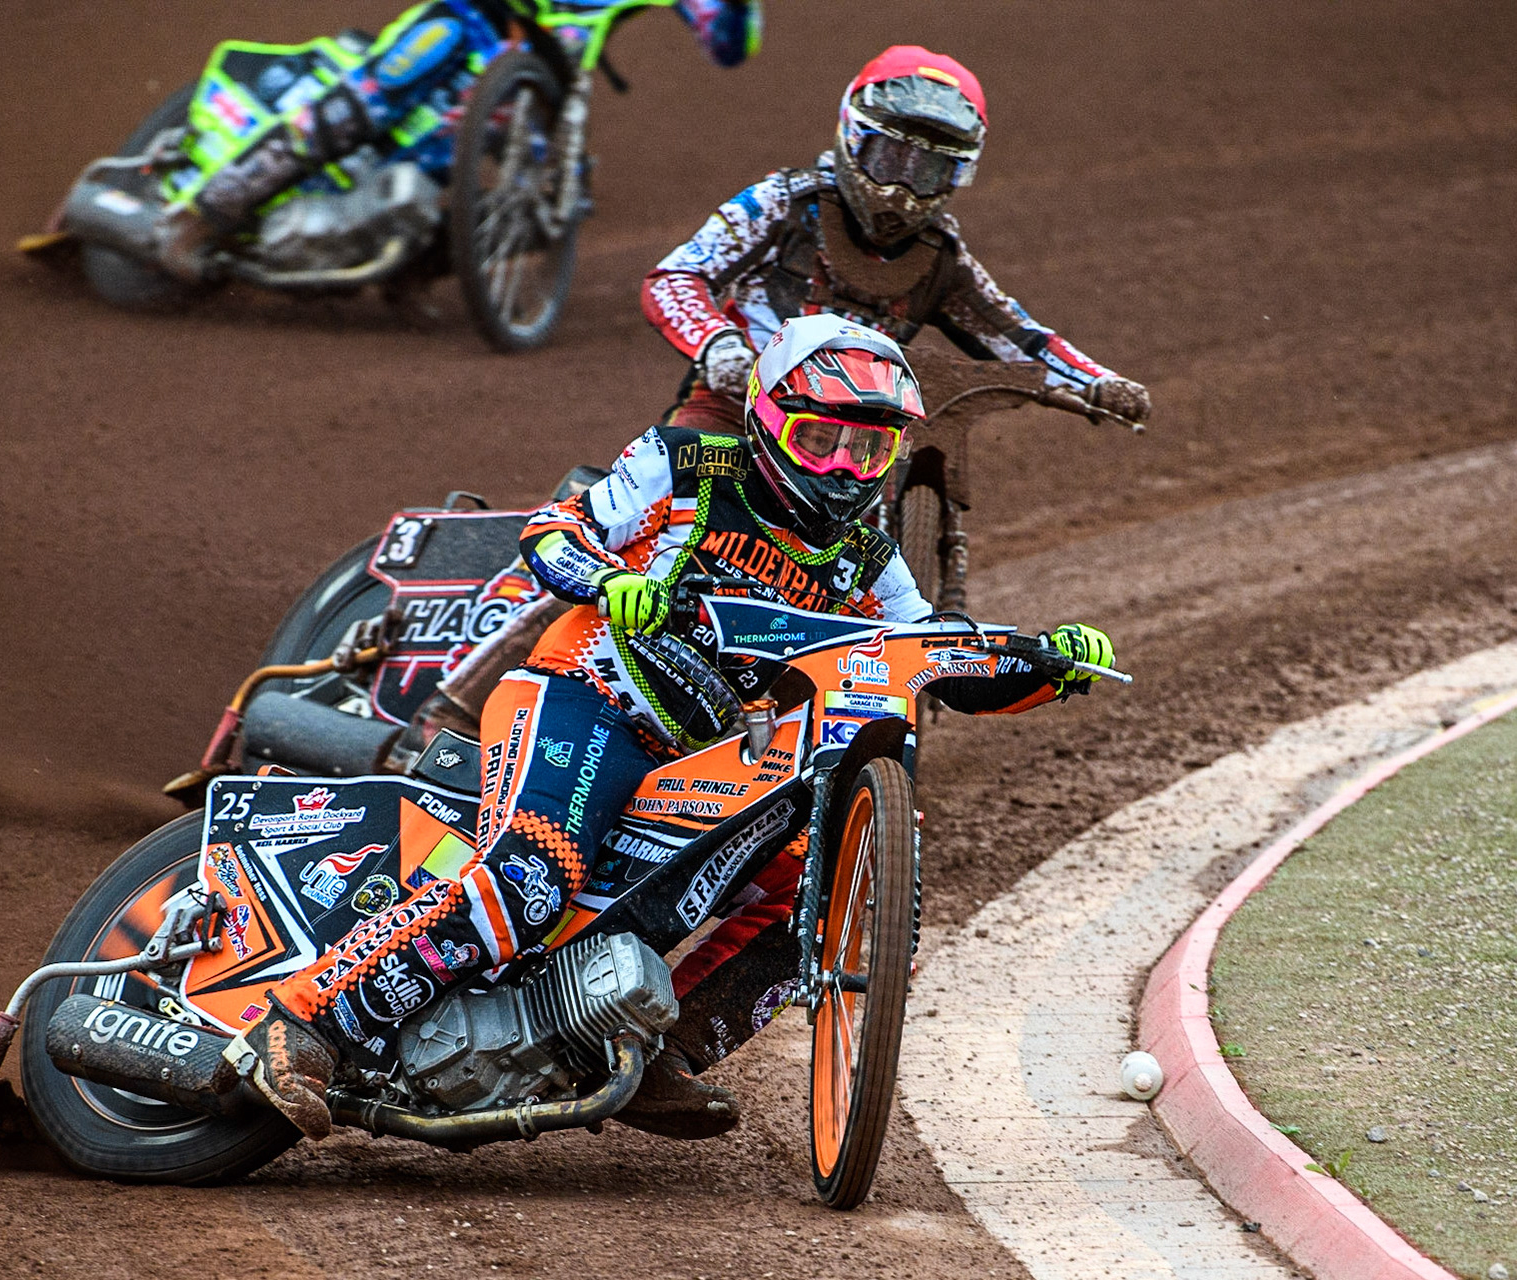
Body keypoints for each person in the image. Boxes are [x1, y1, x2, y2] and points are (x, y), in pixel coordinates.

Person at [224, 316, 1116, 1141]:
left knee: (817, 879)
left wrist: (1045, 665)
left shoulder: (869, 556)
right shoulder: (687, 464)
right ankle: (306, 1027)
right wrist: (610, 582)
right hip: (587, 699)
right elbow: (554, 531)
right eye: (821, 439)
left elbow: (934, 656)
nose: (842, 469)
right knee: (531, 879)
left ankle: (664, 1051)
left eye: (866, 448)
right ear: (767, 422)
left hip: (710, 750)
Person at [641, 45, 1151, 435]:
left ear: (955, 177)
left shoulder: (939, 260)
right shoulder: (782, 204)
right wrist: (718, 344)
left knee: (873, 548)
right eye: (889, 161)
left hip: (859, 434)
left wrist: (1097, 381)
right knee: (681, 482)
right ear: (852, 137)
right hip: (742, 408)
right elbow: (677, 275)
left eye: (926, 172)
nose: (900, 192)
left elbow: (1020, 338)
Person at [164, 0, 761, 276]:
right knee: (366, 102)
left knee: (552, 205)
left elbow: (727, 44)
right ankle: (206, 212)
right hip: (469, 22)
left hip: (529, 90)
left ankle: (409, 272)